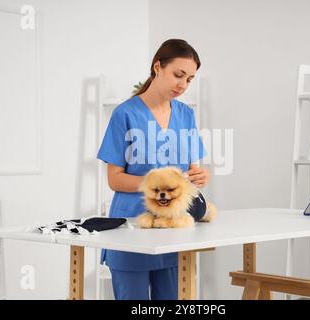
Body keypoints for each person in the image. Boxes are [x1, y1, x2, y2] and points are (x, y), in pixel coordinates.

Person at [97, 39, 210, 300]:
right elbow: (114, 180)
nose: (183, 85)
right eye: (178, 75)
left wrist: (199, 176)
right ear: (157, 67)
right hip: (132, 227)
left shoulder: (186, 115)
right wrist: (158, 185)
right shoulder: (125, 114)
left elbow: (193, 171)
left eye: (190, 79)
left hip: (174, 229)